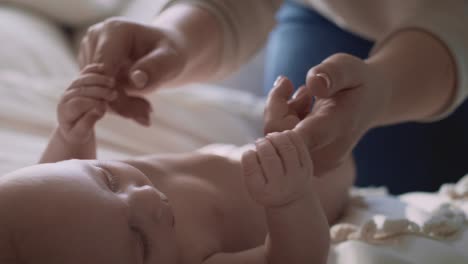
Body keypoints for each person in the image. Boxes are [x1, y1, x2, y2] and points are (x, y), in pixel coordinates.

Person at [78, 0, 468, 194]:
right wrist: (175, 40)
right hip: (335, 14)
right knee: (319, 160)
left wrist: (383, 91)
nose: (144, 200)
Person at [0, 64, 354, 263]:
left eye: (107, 178)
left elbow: (62, 168)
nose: (146, 197)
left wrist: (71, 134)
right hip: (308, 189)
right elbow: (291, 260)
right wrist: (291, 197)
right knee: (338, 137)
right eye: (140, 242)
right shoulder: (193, 259)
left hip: (233, 154)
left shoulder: (72, 209)